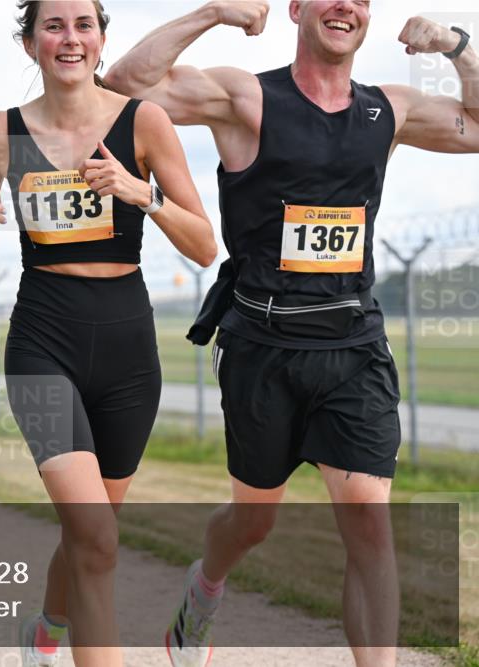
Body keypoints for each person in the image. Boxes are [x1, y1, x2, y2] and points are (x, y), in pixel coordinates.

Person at [104, 1, 478, 665]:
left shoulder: (387, 108)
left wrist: (456, 45)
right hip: (261, 347)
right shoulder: (245, 96)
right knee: (253, 521)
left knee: (368, 515)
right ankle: (205, 588)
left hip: (352, 344)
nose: (346, 6)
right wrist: (214, 12)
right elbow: (125, 85)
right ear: (297, 8)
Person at [0, 2, 217, 664]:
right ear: (29, 43)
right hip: (43, 339)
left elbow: (205, 245)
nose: (69, 38)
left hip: (128, 348)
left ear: (101, 40)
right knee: (96, 534)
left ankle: (46, 629)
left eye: (83, 25)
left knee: (90, 533)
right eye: (53, 25)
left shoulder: (144, 122)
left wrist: (138, 191)